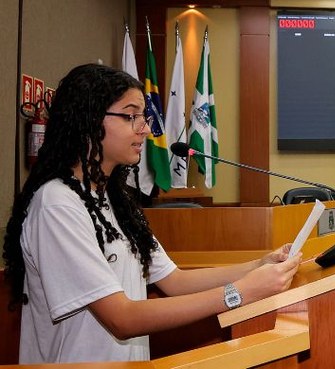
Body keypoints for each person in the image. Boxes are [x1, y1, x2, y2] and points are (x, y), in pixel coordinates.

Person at [1, 64, 302, 364]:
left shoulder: (116, 201)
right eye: (131, 115)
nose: (145, 128)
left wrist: (257, 265)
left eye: (143, 116)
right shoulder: (57, 204)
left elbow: (175, 281)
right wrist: (238, 293)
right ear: (89, 120)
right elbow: (122, 317)